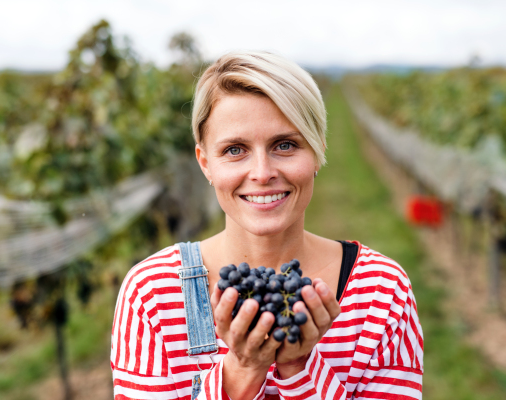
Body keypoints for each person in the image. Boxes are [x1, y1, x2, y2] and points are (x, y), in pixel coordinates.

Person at [111, 51, 424, 400]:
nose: (262, 173)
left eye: (285, 145)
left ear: (319, 147)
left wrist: (300, 368)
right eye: (234, 150)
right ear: (205, 163)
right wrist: (242, 371)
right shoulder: (152, 294)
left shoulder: (381, 292)